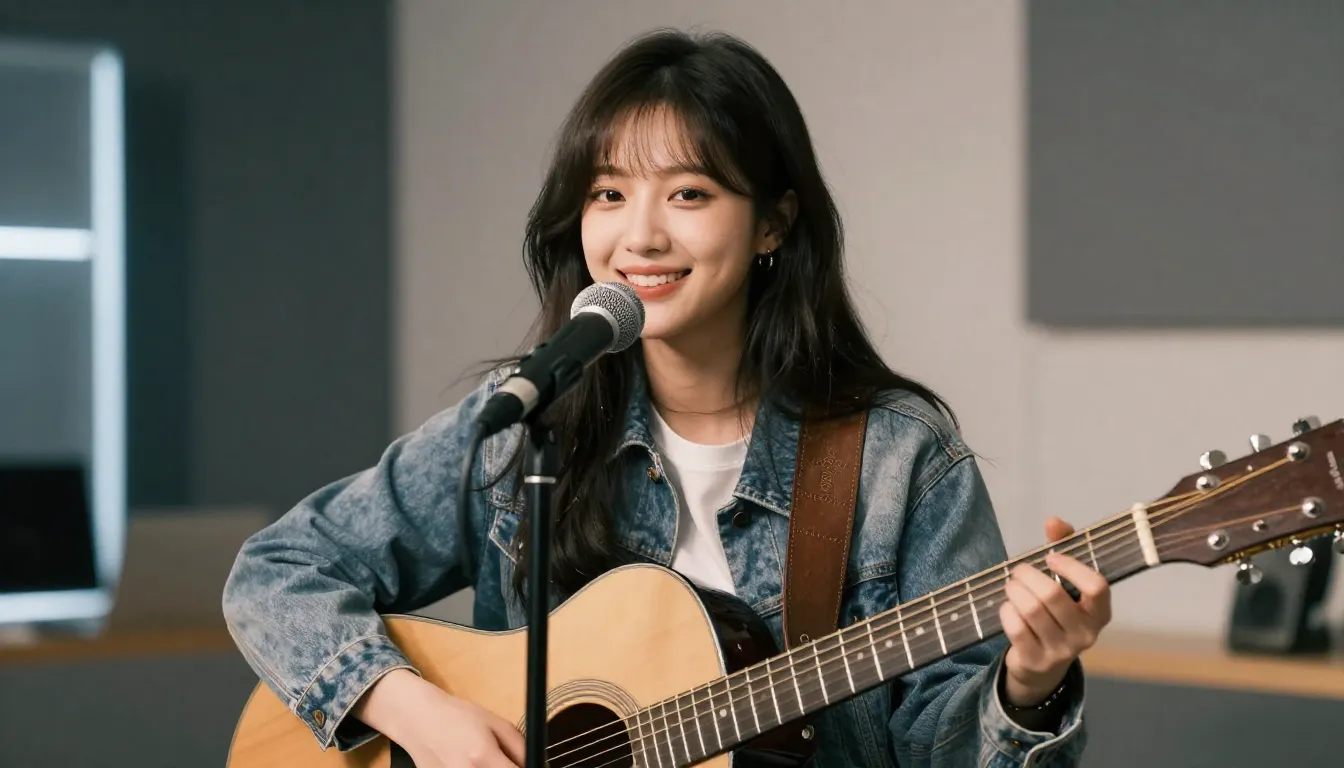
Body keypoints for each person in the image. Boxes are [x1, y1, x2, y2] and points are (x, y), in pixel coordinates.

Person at [222, 28, 1111, 768]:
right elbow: (278, 571)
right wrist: (414, 711)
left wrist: (1027, 686)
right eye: (608, 193)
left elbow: (944, 747)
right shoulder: (526, 423)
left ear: (773, 223)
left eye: (689, 193)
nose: (639, 235)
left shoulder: (895, 461)